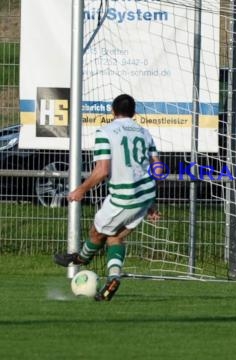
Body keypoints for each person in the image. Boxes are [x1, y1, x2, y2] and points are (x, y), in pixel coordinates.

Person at [54, 94, 161, 301]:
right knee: (116, 237)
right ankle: (113, 278)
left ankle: (81, 258)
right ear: (134, 112)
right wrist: (151, 201)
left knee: (97, 232)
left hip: (123, 196)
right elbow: (157, 167)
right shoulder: (144, 133)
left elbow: (102, 170)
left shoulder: (106, 132)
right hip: (144, 195)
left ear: (112, 111)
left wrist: (81, 189)